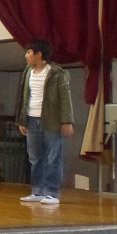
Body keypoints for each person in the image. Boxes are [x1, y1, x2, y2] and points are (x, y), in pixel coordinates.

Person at [15, 39, 74, 205]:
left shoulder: (56, 73)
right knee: (34, 157)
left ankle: (53, 193)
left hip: (51, 121)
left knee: (53, 157)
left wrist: (67, 121)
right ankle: (37, 191)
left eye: (28, 52)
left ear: (38, 54)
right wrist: (22, 120)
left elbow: (65, 98)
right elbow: (23, 97)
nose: (26, 55)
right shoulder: (27, 72)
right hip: (31, 119)